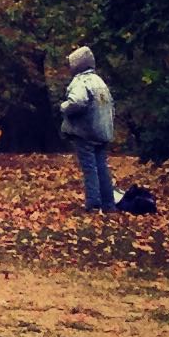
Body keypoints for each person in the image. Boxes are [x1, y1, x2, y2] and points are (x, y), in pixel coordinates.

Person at [59, 44, 117, 212]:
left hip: (86, 132)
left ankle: (93, 204)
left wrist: (64, 107)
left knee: (90, 169)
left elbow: (77, 101)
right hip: (102, 132)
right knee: (102, 168)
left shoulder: (81, 82)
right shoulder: (99, 82)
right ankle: (109, 205)